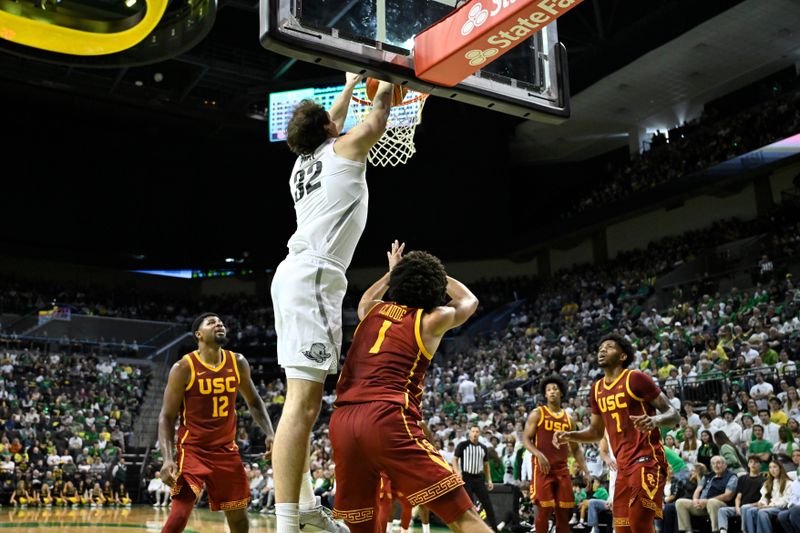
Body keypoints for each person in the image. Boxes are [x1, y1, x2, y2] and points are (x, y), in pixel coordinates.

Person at [270, 72, 396, 533]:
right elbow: (376, 120)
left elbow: (334, 120)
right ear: (327, 129)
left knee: (300, 402)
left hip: (295, 275)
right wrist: (386, 81)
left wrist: (347, 86)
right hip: (316, 276)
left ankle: (302, 509)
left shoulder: (304, 163)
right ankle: (289, 523)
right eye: (331, 121)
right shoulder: (342, 151)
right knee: (302, 405)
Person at [329, 243, 492, 533]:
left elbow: (367, 296)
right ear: (435, 288)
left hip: (342, 422)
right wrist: (435, 273)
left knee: (360, 526)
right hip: (386, 418)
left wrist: (394, 272)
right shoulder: (432, 319)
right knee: (463, 516)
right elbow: (469, 300)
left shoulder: (371, 311)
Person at [157, 313, 275, 533]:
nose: (219, 324)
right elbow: (166, 416)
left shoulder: (237, 362)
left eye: (220, 322)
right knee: (181, 512)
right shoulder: (184, 367)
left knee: (239, 516)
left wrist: (270, 432)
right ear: (198, 335)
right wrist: (167, 459)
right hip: (192, 450)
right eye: (211, 323)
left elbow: (254, 401)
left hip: (226, 450)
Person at [554, 333, 680, 533]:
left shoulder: (635, 378)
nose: (603, 350)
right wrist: (570, 435)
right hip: (621, 467)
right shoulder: (596, 389)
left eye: (610, 347)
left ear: (622, 356)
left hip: (647, 459)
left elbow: (674, 414)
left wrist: (654, 420)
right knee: (622, 529)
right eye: (600, 348)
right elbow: (596, 432)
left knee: (639, 523)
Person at [523, 375, 589, 533]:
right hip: (543, 469)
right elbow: (525, 439)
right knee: (544, 512)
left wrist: (585, 470)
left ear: (561, 393)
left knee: (563, 514)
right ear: (545, 395)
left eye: (555, 389)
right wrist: (538, 454)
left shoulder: (569, 419)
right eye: (548, 390)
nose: (552, 392)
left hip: (562, 469)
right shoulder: (537, 413)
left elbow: (576, 448)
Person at [453, 426, 500, 531]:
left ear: (480, 434)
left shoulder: (483, 448)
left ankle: (494, 529)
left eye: (477, 432)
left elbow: (486, 465)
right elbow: (454, 459)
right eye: (473, 431)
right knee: (469, 506)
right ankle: (469, 529)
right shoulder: (462, 445)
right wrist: (457, 472)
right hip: (466, 477)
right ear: (469, 433)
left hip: (479, 478)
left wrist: (489, 480)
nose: (475, 434)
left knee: (487, 504)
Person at [674, 456, 736, 533]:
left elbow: (728, 495)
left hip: (720, 505)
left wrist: (707, 501)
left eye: (718, 463)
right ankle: (688, 531)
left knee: (712, 502)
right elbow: (698, 490)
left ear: (725, 465)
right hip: (702, 505)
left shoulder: (731, 476)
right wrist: (695, 500)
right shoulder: (708, 476)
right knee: (680, 502)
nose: (715, 466)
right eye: (713, 464)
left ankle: (716, 530)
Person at [742, 459, 792, 533]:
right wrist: (762, 503)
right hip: (769, 506)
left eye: (775, 467)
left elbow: (786, 501)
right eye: (770, 467)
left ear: (780, 468)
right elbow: (764, 497)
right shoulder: (768, 482)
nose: (772, 470)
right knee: (748, 509)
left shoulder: (788, 483)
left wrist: (770, 505)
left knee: (762, 512)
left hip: (781, 508)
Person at [717, 456, 765, 533]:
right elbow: (738, 497)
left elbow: (763, 500)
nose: (753, 464)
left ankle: (744, 531)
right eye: (751, 462)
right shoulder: (742, 478)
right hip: (740, 507)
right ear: (748, 464)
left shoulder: (763, 480)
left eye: (756, 462)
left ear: (760, 465)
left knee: (744, 508)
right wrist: (737, 508)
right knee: (722, 510)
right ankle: (723, 531)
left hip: (753, 507)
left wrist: (745, 507)